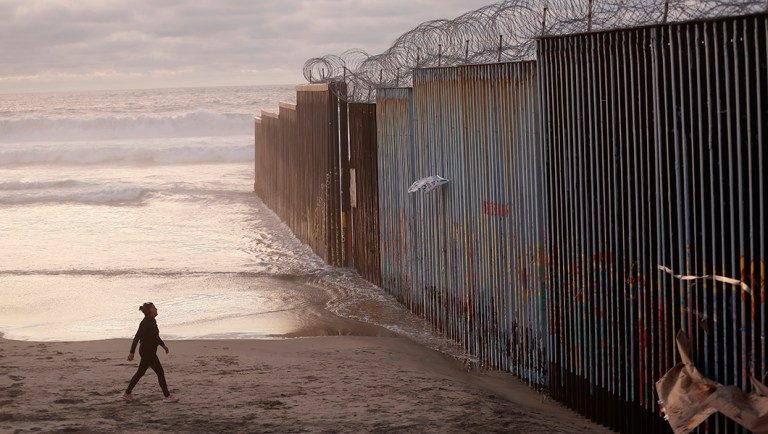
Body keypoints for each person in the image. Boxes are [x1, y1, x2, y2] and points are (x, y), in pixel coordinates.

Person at [122, 302, 179, 403]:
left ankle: (127, 393)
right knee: (160, 372)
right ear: (149, 311)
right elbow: (136, 337)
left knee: (140, 372)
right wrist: (132, 352)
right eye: (154, 308)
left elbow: (155, 336)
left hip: (149, 351)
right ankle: (167, 396)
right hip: (147, 352)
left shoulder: (152, 321)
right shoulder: (145, 323)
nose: (156, 309)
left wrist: (163, 345)